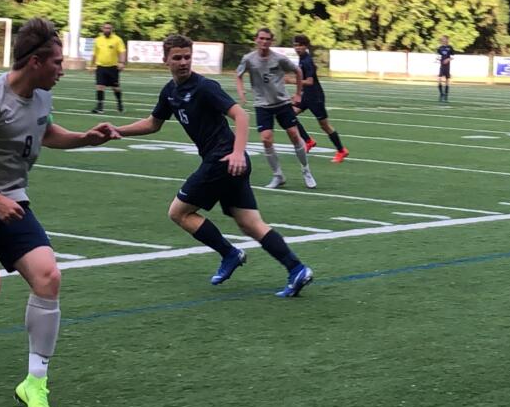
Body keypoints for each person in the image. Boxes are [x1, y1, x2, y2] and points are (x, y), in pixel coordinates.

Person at [0, 18, 121, 407]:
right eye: (56, 63)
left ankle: (34, 383)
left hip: (11, 202)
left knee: (49, 276)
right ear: (35, 61)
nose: (62, 70)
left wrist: (85, 138)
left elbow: (46, 132)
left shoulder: (40, 96)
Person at [114, 34, 314, 298]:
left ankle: (229, 253)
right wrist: (117, 131)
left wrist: (238, 153)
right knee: (250, 223)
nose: (183, 62)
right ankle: (296, 268)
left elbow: (240, 115)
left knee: (179, 213)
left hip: (222, 160)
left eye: (187, 57)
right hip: (229, 163)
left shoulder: (204, 86)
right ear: (165, 60)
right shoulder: (170, 92)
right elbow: (153, 123)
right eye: (177, 58)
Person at [235, 28, 316, 189]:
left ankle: (306, 171)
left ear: (271, 41)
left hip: (282, 103)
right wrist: (241, 91)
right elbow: (238, 75)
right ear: (256, 39)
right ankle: (278, 175)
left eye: (267, 39)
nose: (264, 42)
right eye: (261, 38)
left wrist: (298, 93)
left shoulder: (279, 59)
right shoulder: (248, 59)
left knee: (294, 134)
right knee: (266, 139)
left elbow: (298, 71)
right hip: (262, 105)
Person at [289, 35, 348, 163]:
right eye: (295, 45)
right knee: (289, 115)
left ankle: (341, 150)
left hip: (315, 97)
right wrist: (298, 94)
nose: (297, 48)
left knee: (324, 125)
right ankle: (308, 141)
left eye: (300, 45)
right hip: (306, 96)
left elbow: (309, 81)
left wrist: (291, 81)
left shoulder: (307, 61)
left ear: (305, 46)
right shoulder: (302, 58)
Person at [90, 22, 127, 113]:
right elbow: (94, 54)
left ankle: (119, 103)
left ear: (112, 29)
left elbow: (122, 51)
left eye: (109, 28)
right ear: (102, 29)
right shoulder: (98, 40)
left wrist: (121, 62)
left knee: (115, 87)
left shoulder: (117, 40)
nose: (107, 30)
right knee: (99, 86)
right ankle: (100, 107)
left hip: (113, 67)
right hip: (100, 67)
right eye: (105, 28)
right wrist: (91, 65)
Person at [437, 35, 454, 103]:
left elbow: (452, 56)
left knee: (447, 80)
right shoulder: (440, 48)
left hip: (447, 66)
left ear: (447, 40)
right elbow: (438, 56)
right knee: (439, 79)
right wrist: (437, 59)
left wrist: (448, 59)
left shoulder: (450, 48)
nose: (443, 40)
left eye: (444, 39)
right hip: (441, 66)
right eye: (442, 39)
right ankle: (441, 94)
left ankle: (446, 95)